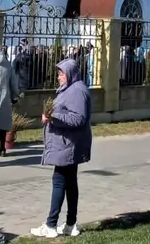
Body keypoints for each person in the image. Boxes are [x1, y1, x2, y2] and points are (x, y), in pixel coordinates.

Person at [30, 59, 92, 239]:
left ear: (70, 73)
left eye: (61, 73)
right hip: (67, 143)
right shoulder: (71, 88)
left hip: (68, 144)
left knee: (59, 181)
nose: (58, 77)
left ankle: (51, 225)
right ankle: (70, 224)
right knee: (70, 183)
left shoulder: (77, 91)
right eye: (58, 73)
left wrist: (52, 117)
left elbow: (77, 119)